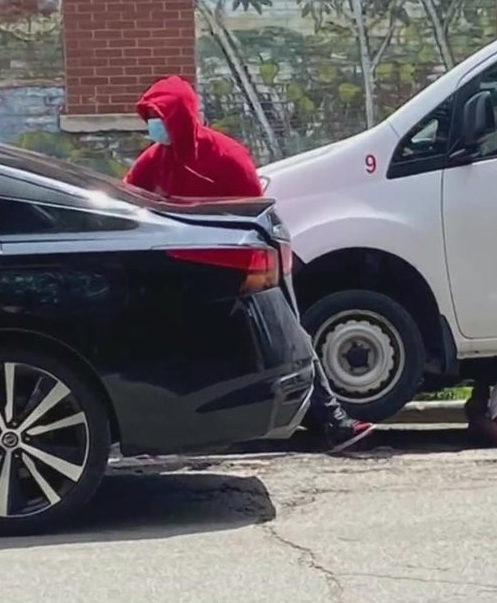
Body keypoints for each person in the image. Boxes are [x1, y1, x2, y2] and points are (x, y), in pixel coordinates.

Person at [124, 75, 375, 452]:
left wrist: (247, 276)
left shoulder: (225, 157)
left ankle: (332, 422)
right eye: (150, 117)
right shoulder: (153, 161)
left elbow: (255, 220)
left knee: (288, 334)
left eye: (159, 116)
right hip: (189, 272)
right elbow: (129, 201)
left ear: (181, 117)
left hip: (248, 264)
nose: (153, 126)